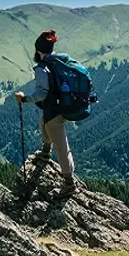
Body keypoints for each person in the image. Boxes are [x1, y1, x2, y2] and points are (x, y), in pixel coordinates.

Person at [15, 30, 77, 197]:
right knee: (43, 121)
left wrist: (25, 98)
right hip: (63, 107)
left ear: (38, 50)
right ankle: (45, 151)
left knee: (62, 147)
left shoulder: (43, 68)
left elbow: (41, 94)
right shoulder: (59, 61)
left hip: (55, 114)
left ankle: (69, 184)